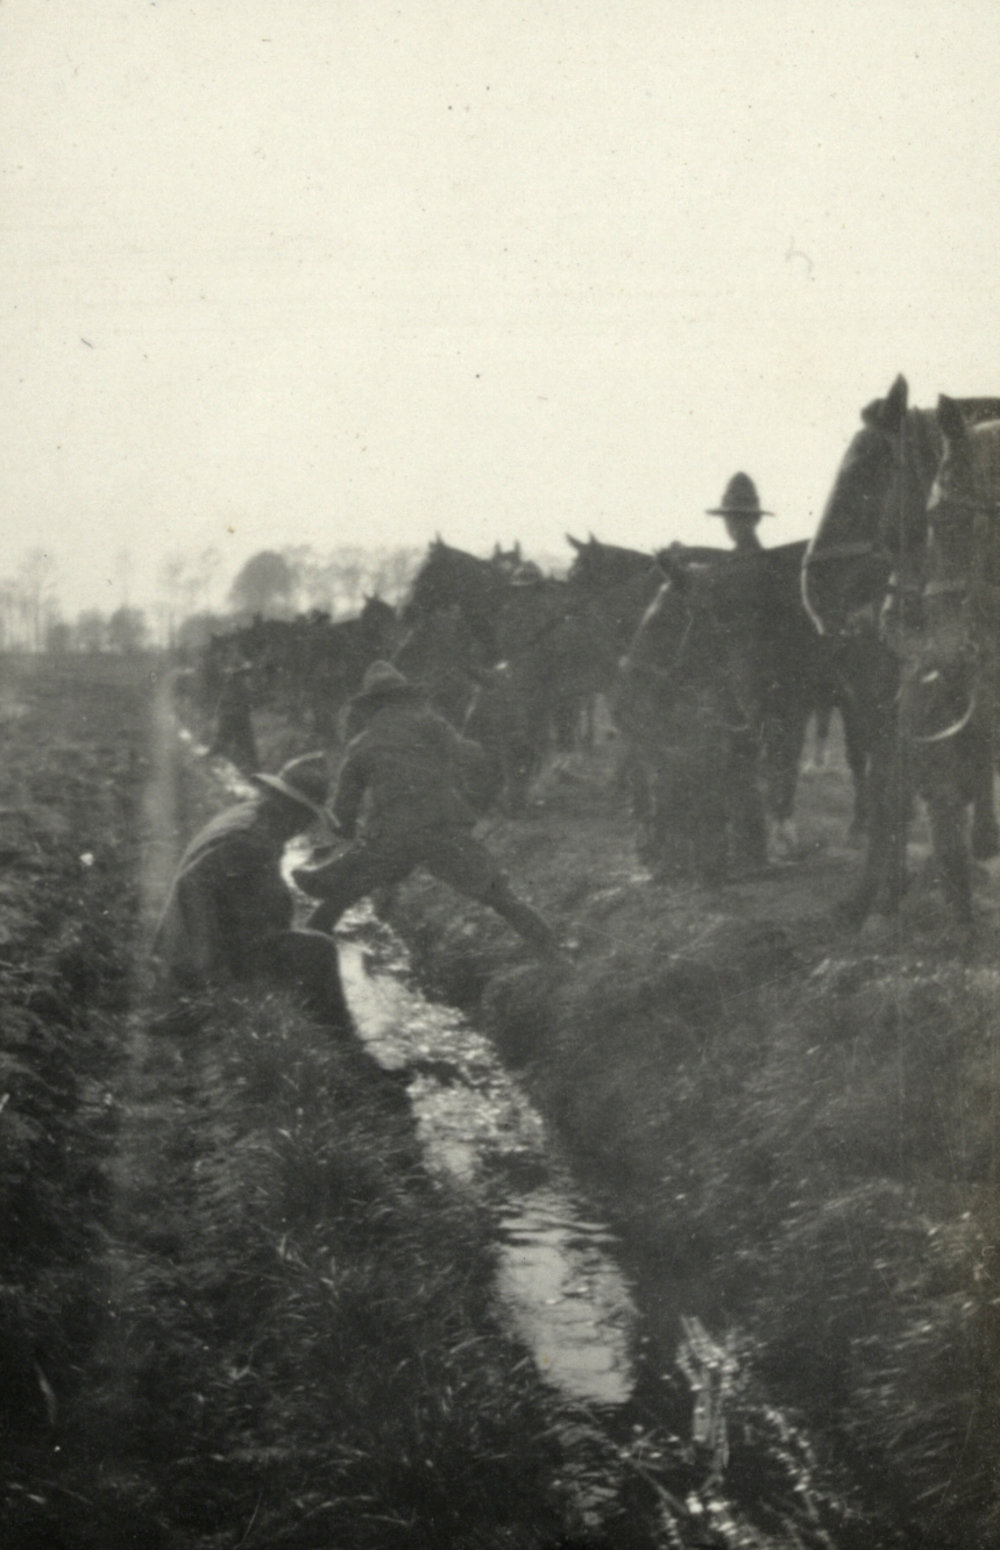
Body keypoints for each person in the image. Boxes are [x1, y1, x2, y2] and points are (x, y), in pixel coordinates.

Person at [292, 661, 562, 958]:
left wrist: (348, 834)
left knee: (338, 901)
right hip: (443, 828)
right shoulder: (431, 724)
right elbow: (472, 758)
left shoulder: (360, 745)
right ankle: (556, 959)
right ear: (406, 696)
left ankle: (300, 968)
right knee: (501, 897)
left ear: (370, 706)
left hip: (391, 838)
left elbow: (343, 821)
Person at [152, 753, 349, 1027]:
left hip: (181, 952)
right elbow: (192, 883)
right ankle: (347, 1051)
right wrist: (212, 971)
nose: (302, 826)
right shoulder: (251, 840)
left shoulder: (250, 817)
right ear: (289, 808)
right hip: (194, 964)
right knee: (319, 950)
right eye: (303, 816)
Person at [208, 661, 259, 774]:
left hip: (236, 717)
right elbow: (225, 702)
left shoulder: (238, 684)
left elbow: (245, 701)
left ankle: (252, 768)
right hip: (234, 717)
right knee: (241, 742)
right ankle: (251, 767)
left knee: (243, 743)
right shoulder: (235, 684)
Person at [706, 472, 771, 554]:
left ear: (756, 519)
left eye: (742, 518)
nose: (736, 524)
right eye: (731, 517)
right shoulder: (725, 562)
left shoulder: (772, 562)